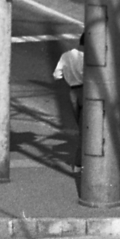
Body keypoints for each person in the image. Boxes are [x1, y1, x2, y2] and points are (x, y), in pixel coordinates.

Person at [53, 36, 85, 170]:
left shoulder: (66, 55)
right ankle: (79, 163)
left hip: (72, 92)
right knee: (88, 130)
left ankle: (79, 163)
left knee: (81, 128)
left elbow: (57, 75)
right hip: (87, 92)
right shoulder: (89, 57)